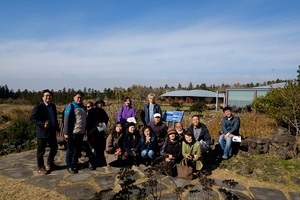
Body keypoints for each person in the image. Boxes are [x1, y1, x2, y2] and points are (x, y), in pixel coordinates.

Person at [30, 89, 59, 175]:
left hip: (52, 131)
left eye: (49, 95)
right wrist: (42, 124)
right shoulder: (38, 106)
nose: (48, 97)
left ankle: (50, 163)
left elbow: (55, 118)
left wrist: (57, 128)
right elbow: (32, 119)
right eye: (46, 95)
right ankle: (41, 167)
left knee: (54, 148)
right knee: (41, 151)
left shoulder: (53, 106)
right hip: (42, 132)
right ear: (43, 97)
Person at [63, 91, 87, 174]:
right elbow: (66, 121)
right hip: (72, 133)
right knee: (70, 150)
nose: (79, 99)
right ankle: (69, 165)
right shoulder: (70, 107)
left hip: (81, 133)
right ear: (74, 97)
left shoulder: (83, 107)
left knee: (77, 150)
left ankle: (75, 163)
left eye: (81, 97)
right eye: (78, 97)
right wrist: (66, 133)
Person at [86, 97, 109, 169]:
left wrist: (103, 123)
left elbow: (106, 119)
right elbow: (90, 120)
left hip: (100, 132)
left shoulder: (103, 111)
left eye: (101, 103)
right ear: (96, 104)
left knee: (100, 147)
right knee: (92, 147)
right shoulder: (91, 111)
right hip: (92, 132)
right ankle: (91, 162)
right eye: (98, 103)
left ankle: (99, 160)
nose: (100, 104)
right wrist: (97, 123)